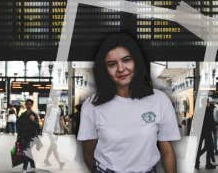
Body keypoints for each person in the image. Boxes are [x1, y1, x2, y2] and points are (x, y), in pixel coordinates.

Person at [77, 33, 181, 173]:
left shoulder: (159, 100)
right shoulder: (92, 105)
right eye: (112, 64)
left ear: (137, 61)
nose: (120, 68)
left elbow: (167, 151)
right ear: (104, 69)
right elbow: (88, 154)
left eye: (126, 60)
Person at [17, 99, 41, 173]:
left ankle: (24, 168)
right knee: (28, 152)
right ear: (25, 105)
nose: (28, 105)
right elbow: (18, 124)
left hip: (31, 136)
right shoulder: (23, 114)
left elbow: (38, 126)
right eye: (27, 104)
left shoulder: (34, 114)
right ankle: (33, 166)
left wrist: (33, 120)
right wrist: (18, 135)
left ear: (32, 105)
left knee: (26, 152)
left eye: (30, 104)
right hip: (23, 136)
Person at [43, 96, 65, 169]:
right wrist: (44, 128)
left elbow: (61, 119)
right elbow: (46, 117)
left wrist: (64, 128)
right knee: (54, 146)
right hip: (50, 129)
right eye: (55, 99)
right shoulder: (50, 107)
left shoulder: (60, 109)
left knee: (52, 146)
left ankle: (46, 159)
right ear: (53, 100)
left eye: (58, 99)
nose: (57, 100)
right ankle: (60, 162)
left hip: (57, 130)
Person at [195, 100, 217, 170]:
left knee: (198, 148)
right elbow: (212, 121)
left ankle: (196, 164)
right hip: (207, 132)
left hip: (200, 132)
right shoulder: (209, 110)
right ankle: (208, 164)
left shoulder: (198, 110)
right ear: (206, 103)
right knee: (209, 148)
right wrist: (214, 131)